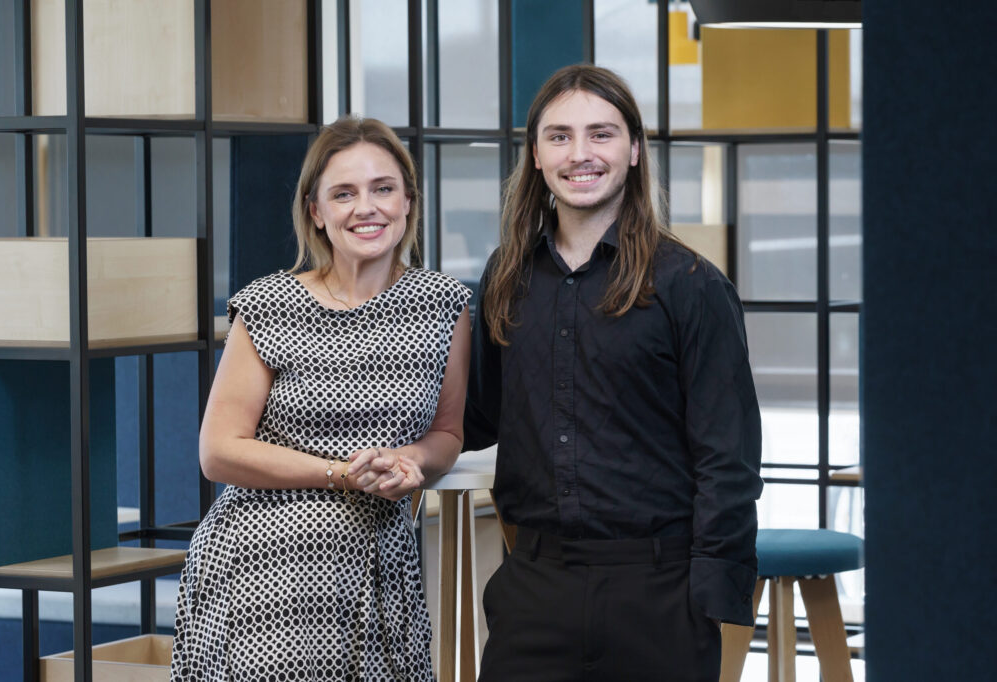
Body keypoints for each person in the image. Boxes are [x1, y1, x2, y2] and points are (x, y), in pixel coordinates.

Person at [464, 65, 763, 681]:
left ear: (633, 150)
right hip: (534, 591)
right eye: (560, 136)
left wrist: (711, 594)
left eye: (600, 134)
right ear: (537, 155)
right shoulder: (505, 276)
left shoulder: (691, 286)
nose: (580, 155)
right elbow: (479, 415)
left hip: (659, 594)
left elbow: (727, 456)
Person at [170, 116, 471, 681]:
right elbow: (218, 451)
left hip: (378, 567)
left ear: (409, 200)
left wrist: (411, 464)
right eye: (344, 193)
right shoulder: (268, 304)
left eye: (383, 188)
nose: (367, 207)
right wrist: (342, 474)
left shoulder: (444, 305)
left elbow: (448, 434)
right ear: (316, 211)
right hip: (261, 569)